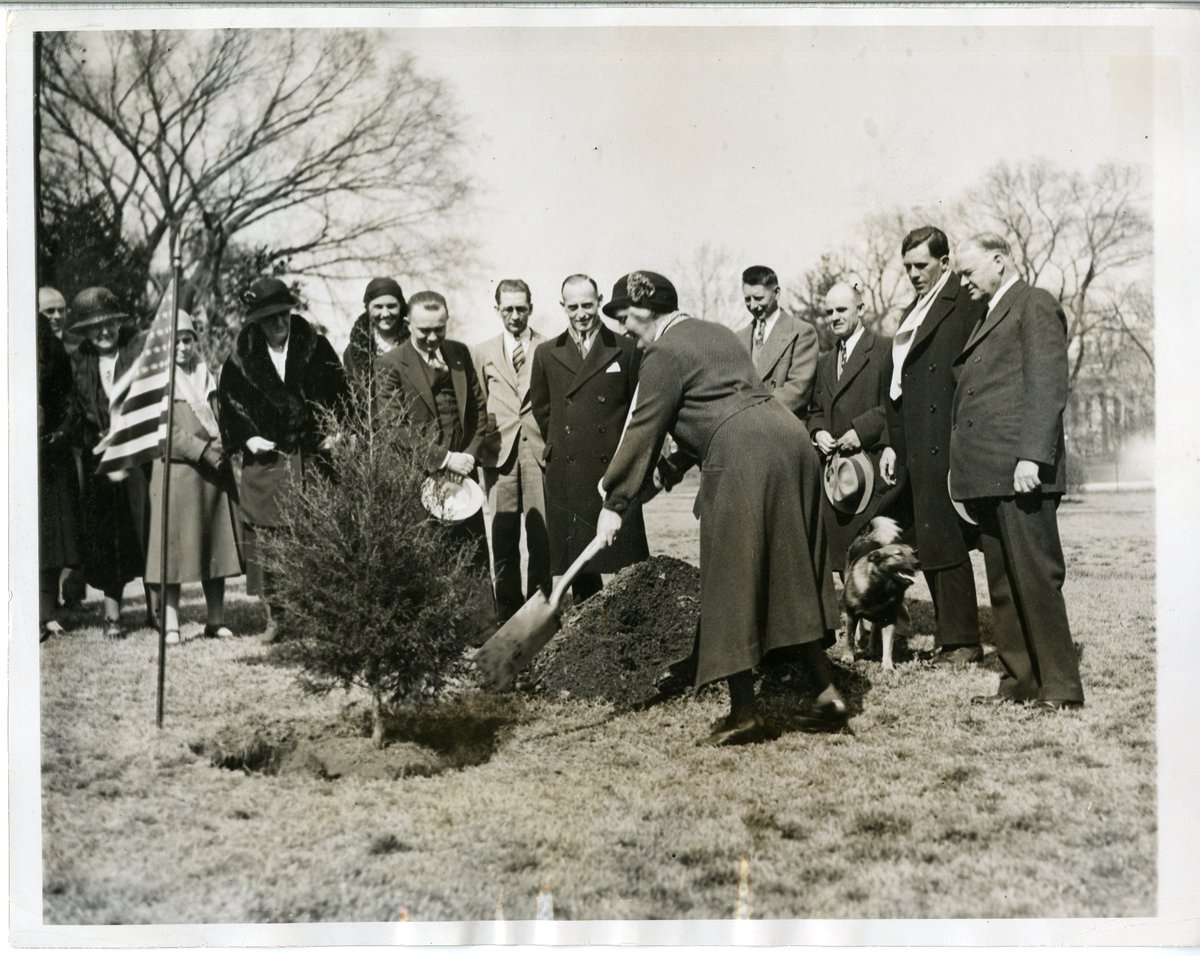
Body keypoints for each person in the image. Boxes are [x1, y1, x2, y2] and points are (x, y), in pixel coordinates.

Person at [595, 271, 844, 746]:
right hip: (788, 441)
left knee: (730, 577)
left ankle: (745, 713)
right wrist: (668, 472)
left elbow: (644, 426)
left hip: (743, 454)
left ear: (646, 311)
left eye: (625, 316)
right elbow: (714, 405)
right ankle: (827, 693)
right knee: (790, 573)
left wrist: (615, 500)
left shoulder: (662, 353)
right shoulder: (715, 333)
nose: (624, 328)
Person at [952, 233, 1084, 711]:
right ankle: (1020, 683)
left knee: (1035, 578)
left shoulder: (1034, 304)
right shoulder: (988, 313)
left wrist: (1032, 456)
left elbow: (1048, 385)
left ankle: (1062, 688)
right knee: (1005, 585)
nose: (962, 282)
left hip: (1020, 470)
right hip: (990, 474)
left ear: (1000, 261)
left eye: (969, 272)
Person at [217, 277, 349, 640]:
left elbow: (342, 394)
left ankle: (320, 617)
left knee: (317, 535)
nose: (278, 323)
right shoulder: (241, 359)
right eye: (269, 317)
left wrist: (336, 432)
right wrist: (246, 437)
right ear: (256, 321)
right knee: (269, 539)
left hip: (312, 458)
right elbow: (227, 405)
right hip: (267, 461)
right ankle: (276, 617)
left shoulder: (316, 347)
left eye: (283, 315)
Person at [879, 226, 986, 667]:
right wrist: (890, 443)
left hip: (945, 438)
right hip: (914, 444)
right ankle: (949, 639)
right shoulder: (914, 308)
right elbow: (897, 384)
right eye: (907, 267)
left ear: (945, 262)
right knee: (927, 538)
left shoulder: (965, 301)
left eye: (921, 265)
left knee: (947, 539)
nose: (913, 274)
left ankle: (962, 642)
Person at [530, 274, 649, 603]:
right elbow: (543, 411)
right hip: (568, 474)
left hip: (612, 470)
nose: (581, 313)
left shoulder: (625, 349)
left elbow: (637, 410)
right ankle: (588, 629)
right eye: (573, 307)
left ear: (599, 301)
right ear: (562, 307)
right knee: (581, 565)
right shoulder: (545, 353)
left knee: (624, 563)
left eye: (587, 305)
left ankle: (627, 622)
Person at [373, 290, 495, 577]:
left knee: (472, 562)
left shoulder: (459, 353)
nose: (431, 337)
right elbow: (393, 427)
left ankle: (485, 624)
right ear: (408, 324)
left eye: (439, 329)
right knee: (428, 566)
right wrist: (443, 459)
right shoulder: (389, 364)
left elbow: (479, 411)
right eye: (424, 331)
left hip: (463, 479)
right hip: (419, 480)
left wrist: (467, 457)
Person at [144, 312, 244, 645]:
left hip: (213, 471)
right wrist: (203, 450)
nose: (182, 348)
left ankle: (215, 619)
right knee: (173, 549)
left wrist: (225, 444)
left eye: (187, 340)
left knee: (215, 545)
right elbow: (162, 433)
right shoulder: (155, 380)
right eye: (175, 341)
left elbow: (220, 417)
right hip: (178, 471)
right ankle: (170, 622)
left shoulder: (207, 375)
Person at [69, 287, 152, 638]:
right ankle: (112, 617)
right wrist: (94, 439)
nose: (104, 332)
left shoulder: (138, 355)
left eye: (109, 324)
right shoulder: (79, 364)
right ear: (86, 332)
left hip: (138, 457)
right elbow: (75, 414)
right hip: (100, 461)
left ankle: (158, 610)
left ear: (119, 324)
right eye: (95, 326)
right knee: (107, 539)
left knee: (146, 529)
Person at [473, 279, 551, 622]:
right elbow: (475, 404)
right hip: (498, 454)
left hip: (537, 451)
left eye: (521, 308)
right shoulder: (481, 353)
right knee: (503, 536)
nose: (515, 316)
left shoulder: (548, 348)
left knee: (541, 534)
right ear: (497, 310)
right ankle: (506, 611)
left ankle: (538, 609)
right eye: (508, 309)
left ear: (531, 308)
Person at [807, 282, 892, 566]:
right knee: (844, 562)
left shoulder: (884, 350)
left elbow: (895, 408)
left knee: (872, 563)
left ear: (861, 309)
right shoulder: (826, 361)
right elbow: (816, 409)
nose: (835, 317)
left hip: (872, 473)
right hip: (837, 478)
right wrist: (817, 432)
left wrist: (861, 430)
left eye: (842, 309)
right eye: (829, 311)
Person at [38, 305, 81, 641]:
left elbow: (69, 400)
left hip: (48, 452)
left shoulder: (52, 350)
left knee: (49, 532)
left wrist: (62, 432)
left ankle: (48, 612)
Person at [736, 265, 819, 421]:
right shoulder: (738, 338)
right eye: (748, 299)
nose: (753, 306)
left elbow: (798, 390)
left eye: (759, 298)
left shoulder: (802, 332)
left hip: (782, 430)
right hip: (745, 432)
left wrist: (751, 411)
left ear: (776, 293)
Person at [343, 277, 408, 385]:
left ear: (400, 306)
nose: (385, 313)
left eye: (391, 306)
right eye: (378, 307)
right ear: (368, 309)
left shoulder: (417, 343)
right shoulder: (352, 352)